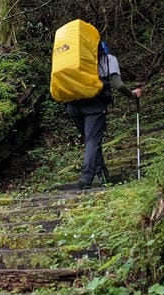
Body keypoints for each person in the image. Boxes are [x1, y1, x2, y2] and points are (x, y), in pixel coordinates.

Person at [58, 41, 143, 190]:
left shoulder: (75, 59)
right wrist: (132, 95)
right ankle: (86, 178)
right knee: (93, 140)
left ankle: (103, 175)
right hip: (93, 106)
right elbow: (118, 84)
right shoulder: (109, 59)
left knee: (91, 140)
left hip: (72, 106)